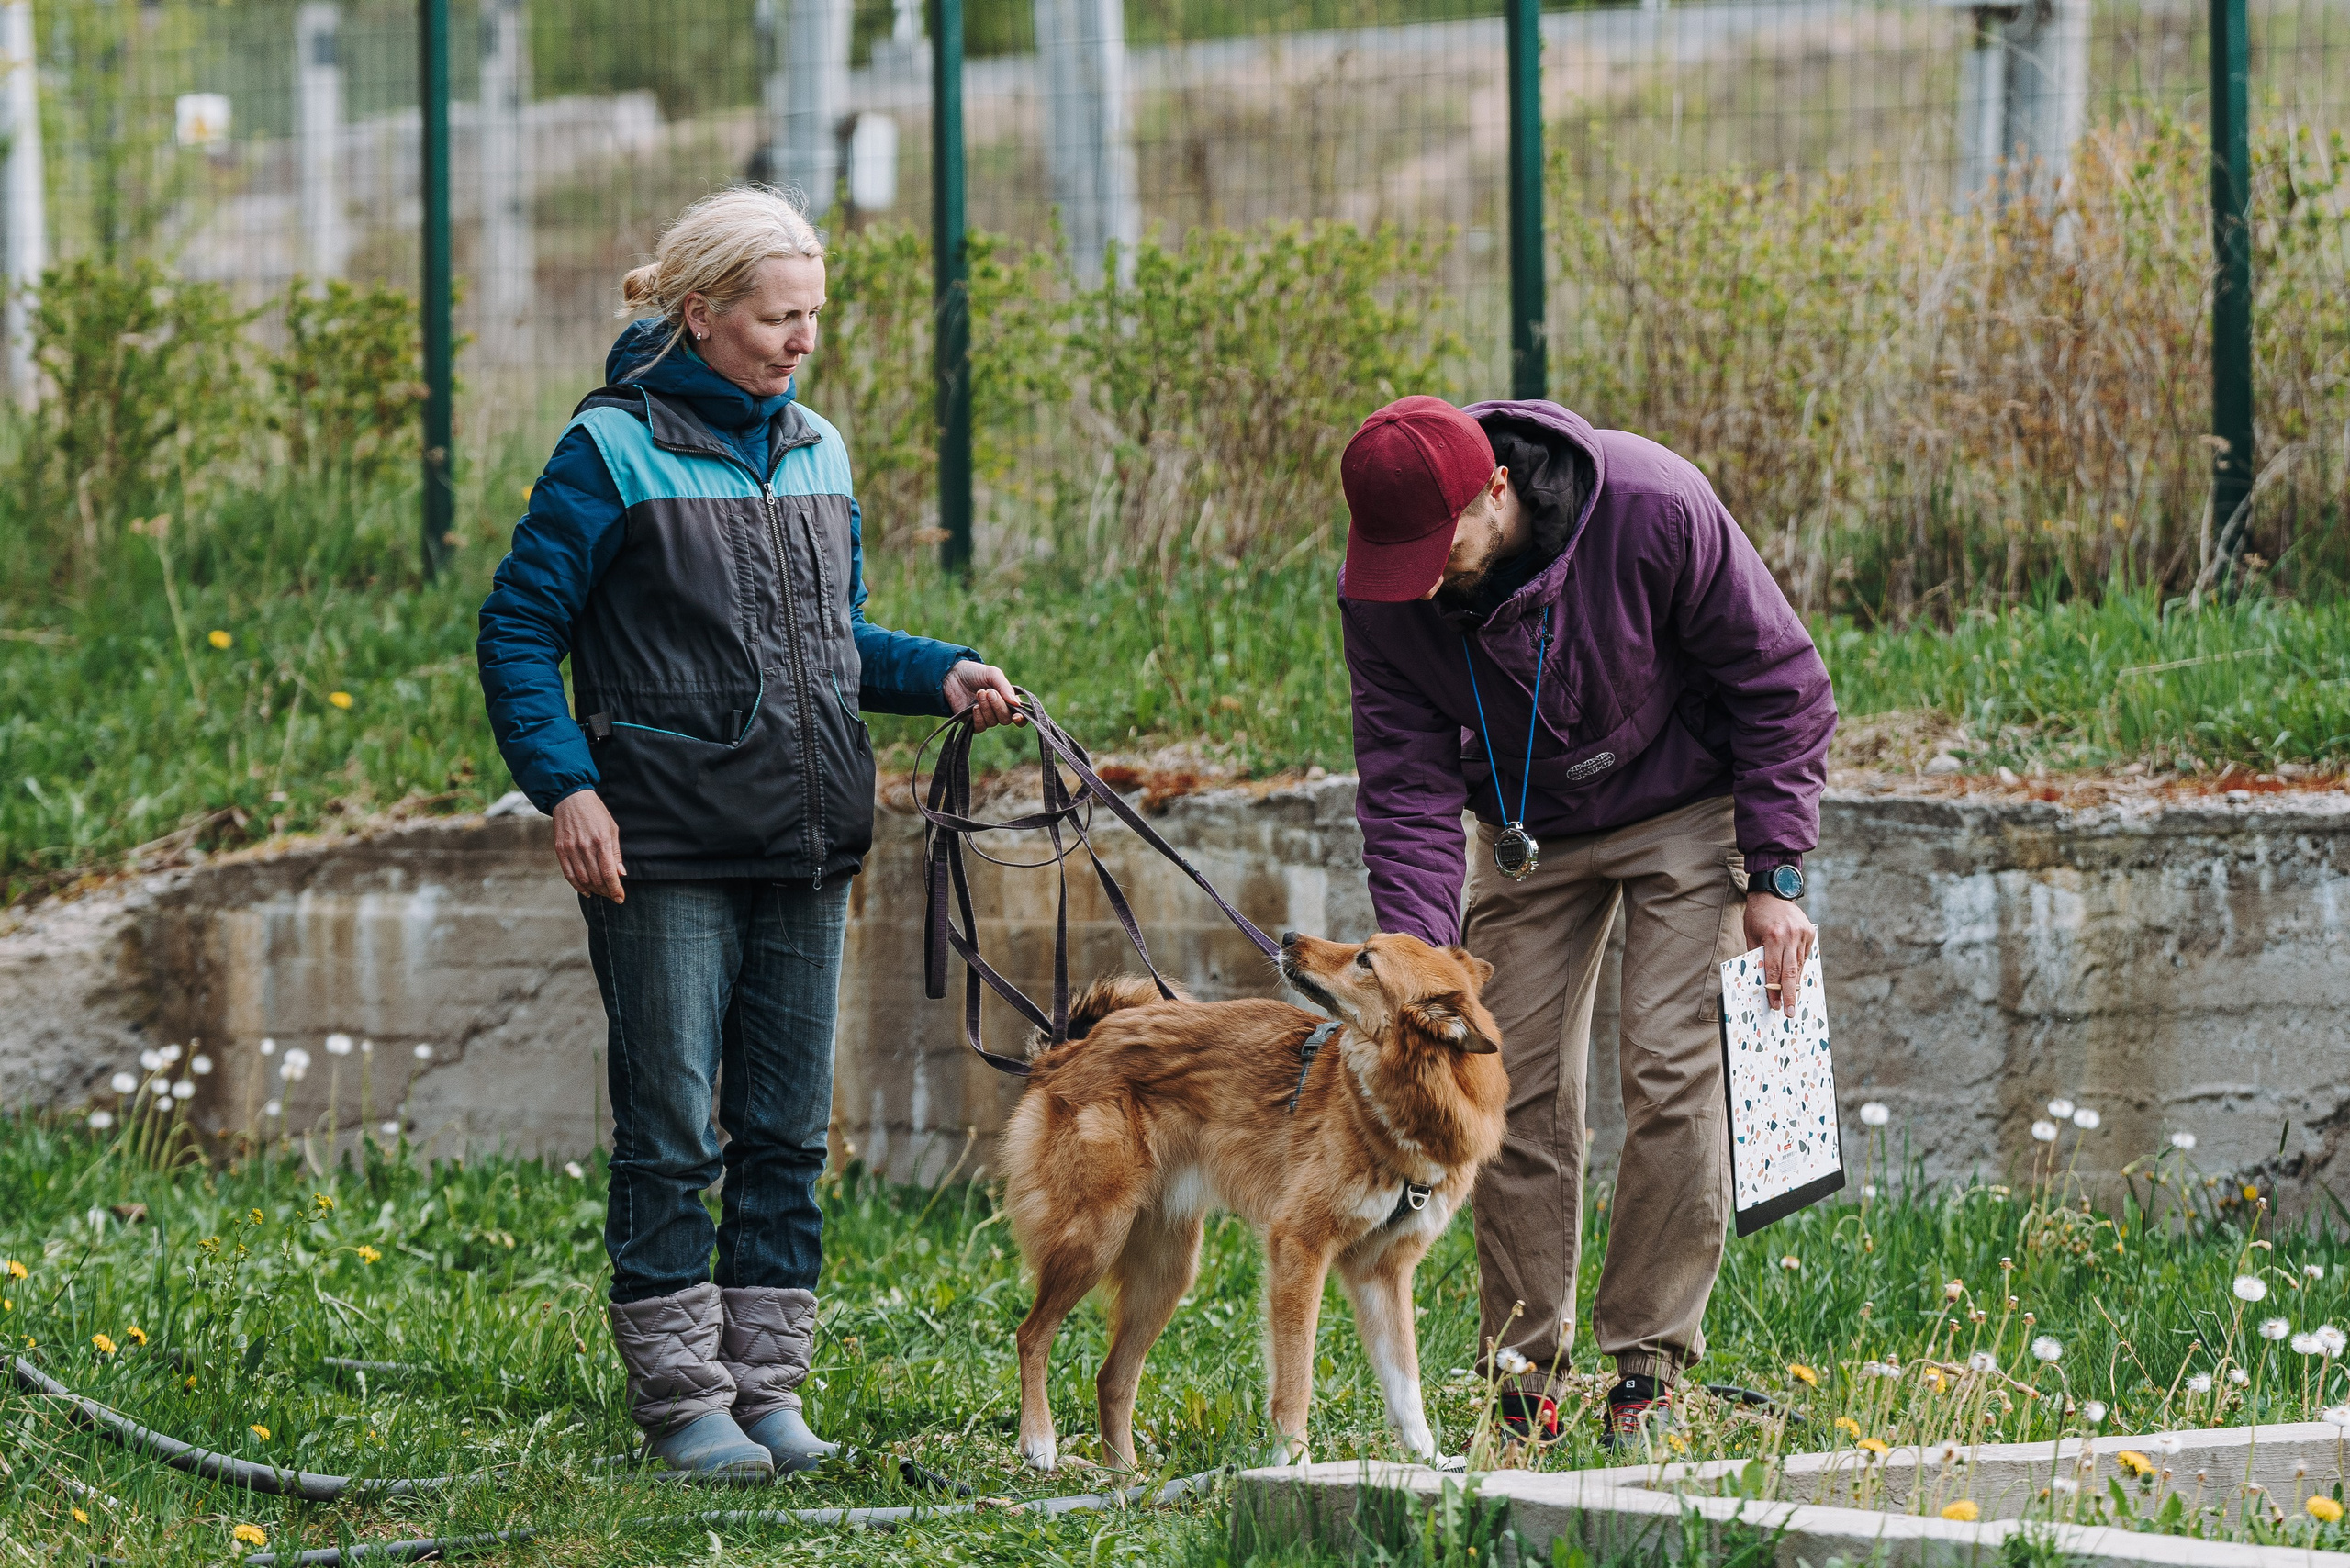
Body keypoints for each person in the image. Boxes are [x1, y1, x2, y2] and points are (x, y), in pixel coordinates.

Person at [477, 187, 1019, 1480]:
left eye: (816, 316)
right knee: (672, 1130)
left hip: (807, 841)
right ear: (701, 314)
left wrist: (936, 670)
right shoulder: (606, 451)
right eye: (781, 318)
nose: (803, 342)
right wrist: (568, 785)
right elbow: (514, 634)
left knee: (781, 1131)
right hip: (660, 850)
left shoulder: (819, 448)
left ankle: (765, 1388)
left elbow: (833, 644)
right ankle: (681, 1403)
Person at [1337, 395, 1834, 1447]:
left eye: (1440, 546)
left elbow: (1779, 679)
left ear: (1497, 489)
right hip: (1525, 826)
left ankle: (1648, 1370)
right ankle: (1523, 1377)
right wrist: (1420, 967)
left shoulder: (1651, 504)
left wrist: (1777, 872)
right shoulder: (1385, 588)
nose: (1419, 578)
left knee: (1670, 1071)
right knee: (1492, 1079)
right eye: (1397, 559)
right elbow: (1404, 783)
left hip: (1687, 804)